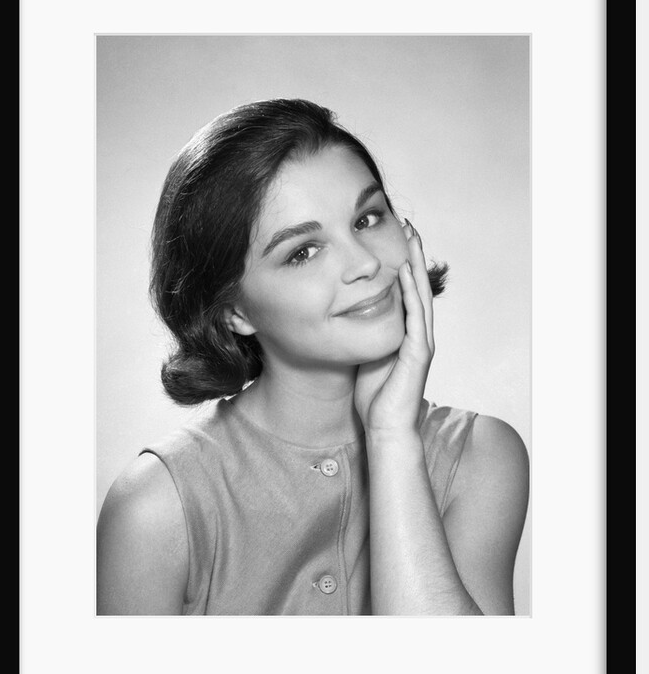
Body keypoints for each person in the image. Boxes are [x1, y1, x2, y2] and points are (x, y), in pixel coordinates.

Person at [96, 98, 529, 616]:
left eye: (369, 218)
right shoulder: (156, 509)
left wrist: (391, 437)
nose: (365, 263)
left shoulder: (481, 458)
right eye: (303, 251)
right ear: (234, 312)